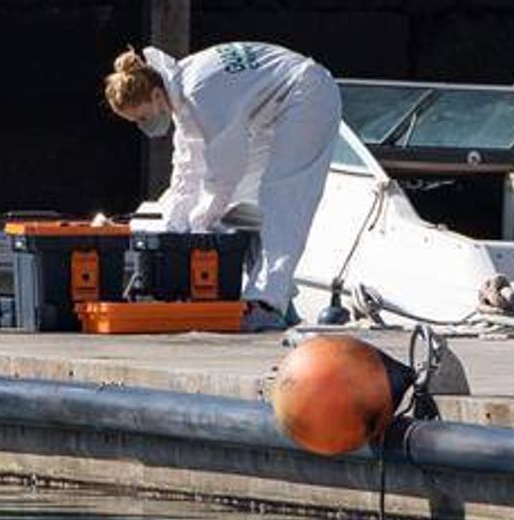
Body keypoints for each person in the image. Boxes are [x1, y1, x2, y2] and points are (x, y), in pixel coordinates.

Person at [104, 41, 341, 331]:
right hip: (272, 107)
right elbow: (189, 167)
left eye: (142, 117)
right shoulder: (182, 91)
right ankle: (281, 296)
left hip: (306, 96)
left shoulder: (199, 93)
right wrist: (176, 225)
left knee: (282, 196)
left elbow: (225, 171)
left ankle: (267, 303)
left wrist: (200, 221)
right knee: (241, 204)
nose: (145, 125)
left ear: (155, 95)